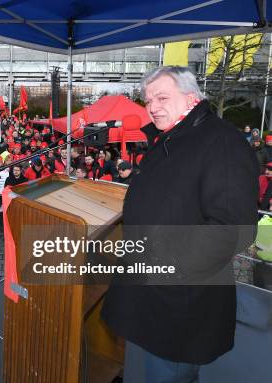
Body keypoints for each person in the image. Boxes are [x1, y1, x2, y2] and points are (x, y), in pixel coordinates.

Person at [101, 66, 259, 382]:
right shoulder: (174, 135)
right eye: (148, 100)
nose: (152, 107)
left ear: (191, 97)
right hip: (149, 295)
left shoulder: (221, 142)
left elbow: (231, 228)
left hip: (178, 304)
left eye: (161, 97)